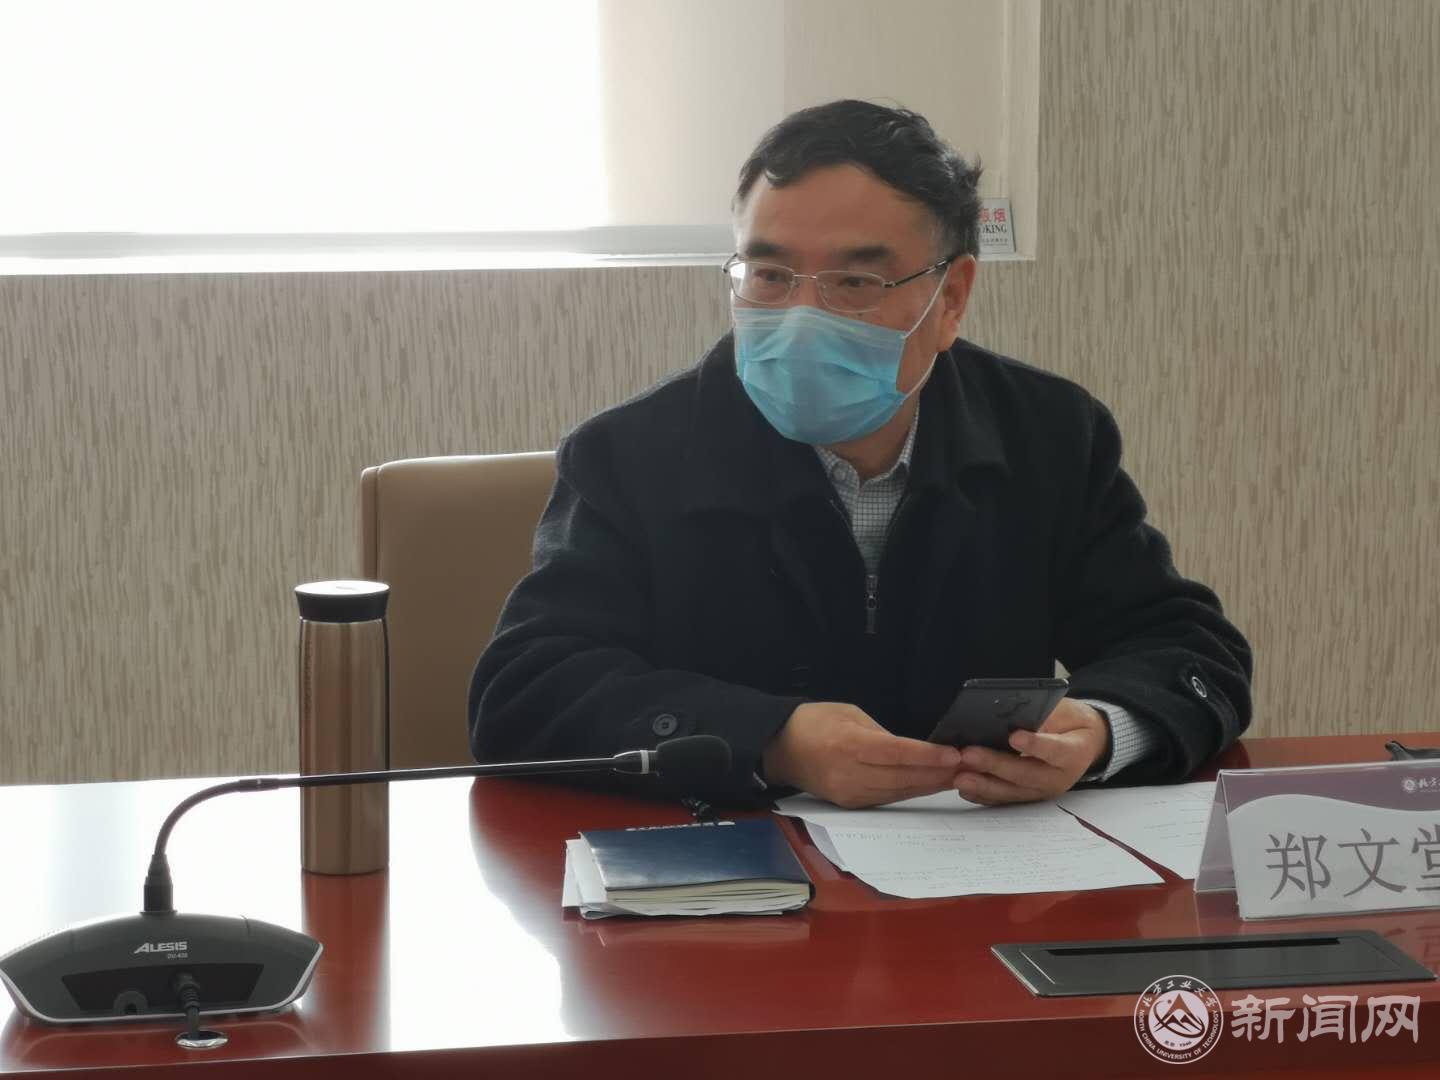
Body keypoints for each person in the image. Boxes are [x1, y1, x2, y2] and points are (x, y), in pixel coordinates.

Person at [469, 99, 1252, 809]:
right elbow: (526, 691)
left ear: (951, 298)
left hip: (984, 880)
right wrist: (772, 740)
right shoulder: (629, 455)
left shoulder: (1049, 434)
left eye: (852, 282)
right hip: (733, 881)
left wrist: (1100, 729)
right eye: (769, 275)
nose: (800, 317)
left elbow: (1185, 646)